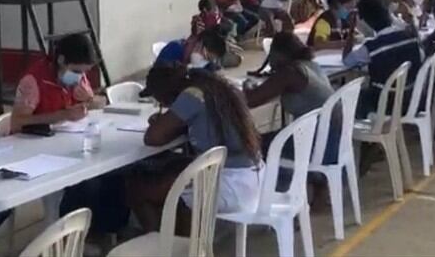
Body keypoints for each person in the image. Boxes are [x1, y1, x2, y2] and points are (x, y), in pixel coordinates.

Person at [126, 65, 261, 232]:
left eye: (158, 99)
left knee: (138, 189)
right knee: (172, 169)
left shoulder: (192, 95)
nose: (160, 103)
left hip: (231, 184)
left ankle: (161, 245)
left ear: (165, 91)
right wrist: (172, 120)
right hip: (251, 176)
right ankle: (179, 240)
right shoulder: (213, 87)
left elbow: (153, 138)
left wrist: (164, 122)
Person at [243, 33, 337, 157]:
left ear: (279, 54)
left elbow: (250, 100)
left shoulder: (290, 72)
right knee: (261, 138)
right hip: (333, 140)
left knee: (247, 145)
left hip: (313, 144)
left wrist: (247, 85)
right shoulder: (311, 66)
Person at [343, 0, 424, 119]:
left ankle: (358, 134)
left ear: (365, 22)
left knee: (349, 95)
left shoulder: (372, 47)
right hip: (411, 97)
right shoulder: (409, 36)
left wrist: (351, 31)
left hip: (386, 103)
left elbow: (347, 61)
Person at [11, 33, 99, 132]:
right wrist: (62, 115)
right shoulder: (33, 81)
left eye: (85, 72)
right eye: (76, 71)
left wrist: (90, 100)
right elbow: (16, 122)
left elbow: (97, 106)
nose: (80, 77)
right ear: (61, 60)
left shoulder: (79, 76)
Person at [154, 29, 227, 70]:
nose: (205, 60)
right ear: (200, 44)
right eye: (207, 57)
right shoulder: (174, 49)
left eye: (209, 59)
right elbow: (158, 75)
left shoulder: (205, 61)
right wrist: (185, 69)